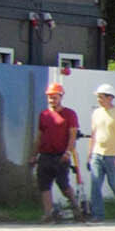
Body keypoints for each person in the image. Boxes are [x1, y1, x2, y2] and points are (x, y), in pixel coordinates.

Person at [35, 79, 83, 222]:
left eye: (55, 97)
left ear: (61, 97)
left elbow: (72, 135)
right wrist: (34, 154)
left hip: (61, 155)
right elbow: (39, 136)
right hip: (45, 154)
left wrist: (68, 152)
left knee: (63, 184)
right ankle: (48, 213)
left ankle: (76, 208)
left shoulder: (69, 114)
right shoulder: (43, 115)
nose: (52, 100)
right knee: (44, 184)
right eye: (50, 97)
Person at [85, 83, 115, 222]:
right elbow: (93, 135)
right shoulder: (96, 113)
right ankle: (98, 215)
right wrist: (89, 154)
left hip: (112, 155)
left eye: (101, 97)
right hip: (97, 154)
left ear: (109, 98)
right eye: (98, 97)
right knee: (95, 184)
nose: (98, 100)